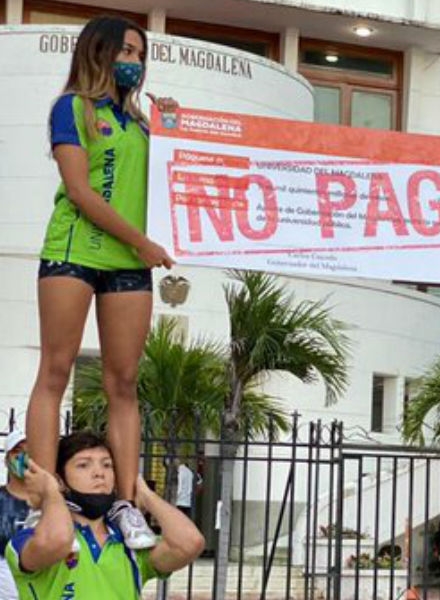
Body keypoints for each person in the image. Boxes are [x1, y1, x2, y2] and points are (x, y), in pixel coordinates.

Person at [24, 15, 177, 550]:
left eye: (139, 53)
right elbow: (81, 191)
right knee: (56, 370)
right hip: (74, 251)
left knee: (124, 382)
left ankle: (125, 504)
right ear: (100, 52)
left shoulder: (141, 123)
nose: (132, 61)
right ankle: (44, 496)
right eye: (125, 51)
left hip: (130, 263)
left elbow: (179, 178)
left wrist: (183, 129)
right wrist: (141, 242)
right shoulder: (72, 108)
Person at [6, 431, 204, 600]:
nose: (99, 473)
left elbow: (190, 543)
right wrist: (51, 493)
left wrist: (146, 495)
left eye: (107, 465)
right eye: (84, 465)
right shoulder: (28, 539)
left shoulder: (131, 543)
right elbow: (57, 540)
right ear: (60, 479)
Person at [0, 430, 31, 600]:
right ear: (6, 460)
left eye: (32, 450)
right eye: (18, 451)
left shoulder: (55, 503)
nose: (25, 456)